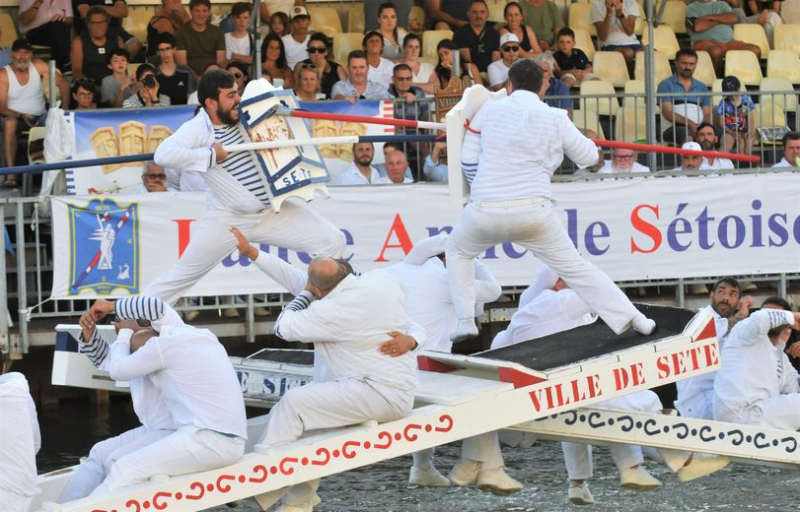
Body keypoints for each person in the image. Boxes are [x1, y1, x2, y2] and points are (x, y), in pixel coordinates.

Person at [445, 58, 655, 343]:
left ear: (511, 83)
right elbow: (590, 159)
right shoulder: (556, 117)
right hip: (534, 211)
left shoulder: (488, 110)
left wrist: (481, 188)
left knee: (457, 252)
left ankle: (466, 321)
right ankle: (635, 319)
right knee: (578, 270)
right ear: (543, 85)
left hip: (486, 209)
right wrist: (589, 146)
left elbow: (468, 161)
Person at [491, 265, 729, 505]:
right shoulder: (560, 299)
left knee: (578, 420)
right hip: (565, 389)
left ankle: (578, 483)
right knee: (645, 402)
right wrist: (644, 322)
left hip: (544, 398)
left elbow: (500, 345)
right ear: (561, 282)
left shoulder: (528, 308)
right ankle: (684, 460)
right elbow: (604, 295)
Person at [245, 252, 423, 511]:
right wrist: (413, 338)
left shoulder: (328, 309)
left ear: (318, 289)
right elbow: (410, 320)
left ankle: (263, 481)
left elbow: (282, 327)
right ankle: (299, 501)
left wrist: (306, 293)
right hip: (377, 386)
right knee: (309, 423)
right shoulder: (382, 280)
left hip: (378, 393)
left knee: (294, 403)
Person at [149, 70, 344, 305]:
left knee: (333, 240)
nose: (238, 100)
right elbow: (164, 154)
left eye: (237, 93)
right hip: (228, 220)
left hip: (272, 210)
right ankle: (130, 315)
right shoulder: (198, 127)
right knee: (181, 277)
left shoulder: (248, 112)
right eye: (230, 96)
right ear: (210, 103)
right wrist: (211, 155)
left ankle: (316, 304)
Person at [387, 234, 522, 493]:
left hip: (386, 368)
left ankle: (424, 468)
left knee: (464, 390)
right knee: (485, 393)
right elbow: (493, 290)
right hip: (424, 372)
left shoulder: (394, 271)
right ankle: (481, 467)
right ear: (449, 259)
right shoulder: (447, 279)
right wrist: (471, 257)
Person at [84, 295, 246, 495]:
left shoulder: (167, 340)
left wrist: (113, 310)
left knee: (122, 467)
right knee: (106, 456)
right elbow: (112, 361)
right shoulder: (193, 337)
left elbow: (154, 306)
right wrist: (91, 335)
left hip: (207, 438)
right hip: (196, 433)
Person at [57, 307, 176, 503]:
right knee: (99, 452)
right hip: (153, 428)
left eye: (119, 323)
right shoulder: (131, 348)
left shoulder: (158, 345)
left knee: (117, 460)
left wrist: (126, 331)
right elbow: (107, 360)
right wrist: (90, 332)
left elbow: (119, 365)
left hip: (174, 430)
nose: (116, 326)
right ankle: (66, 506)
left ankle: (90, 507)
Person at [675, 277, 754, 419]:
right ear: (711, 295)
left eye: (733, 294)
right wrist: (741, 314)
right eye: (721, 292)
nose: (725, 298)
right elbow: (721, 329)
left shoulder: (734, 327)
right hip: (697, 402)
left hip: (716, 399)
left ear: (737, 302)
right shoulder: (700, 316)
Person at [713, 307, 800, 430]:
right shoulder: (744, 332)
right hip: (738, 416)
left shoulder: (780, 356)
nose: (781, 322)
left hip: (756, 418)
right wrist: (793, 316)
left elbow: (794, 389)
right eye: (776, 316)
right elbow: (761, 319)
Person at [1, 39, 68, 188]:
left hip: (40, 115)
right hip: (15, 116)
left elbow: (63, 84)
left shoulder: (38, 65)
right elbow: (2, 107)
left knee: (56, 121)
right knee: (9, 123)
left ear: (31, 55)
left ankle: (59, 172)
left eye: (26, 53)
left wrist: (65, 110)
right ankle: (11, 173)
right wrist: (21, 115)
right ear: (12, 55)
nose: (23, 56)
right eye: (19, 52)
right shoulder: (4, 73)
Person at [686, 0, 761, 77]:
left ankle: (745, 80)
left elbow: (733, 17)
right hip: (705, 43)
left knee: (755, 50)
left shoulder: (722, 5)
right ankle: (717, 80)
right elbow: (698, 26)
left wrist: (710, 18)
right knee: (715, 51)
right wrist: (722, 20)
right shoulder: (690, 8)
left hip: (728, 43)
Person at [657, 49, 711, 146]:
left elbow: (707, 112)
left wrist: (704, 127)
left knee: (719, 135)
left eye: (691, 64)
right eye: (684, 63)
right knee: (688, 136)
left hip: (698, 126)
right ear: (676, 63)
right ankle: (689, 160)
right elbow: (667, 112)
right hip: (672, 128)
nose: (688, 67)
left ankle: (717, 161)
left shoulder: (702, 86)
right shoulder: (666, 84)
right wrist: (690, 124)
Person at [175, 0, 225, 82]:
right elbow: (182, 63)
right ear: (191, 11)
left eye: (204, 11)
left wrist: (210, 77)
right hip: (189, 78)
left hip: (213, 76)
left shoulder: (217, 32)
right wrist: (197, 78)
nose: (201, 14)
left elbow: (221, 61)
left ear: (209, 12)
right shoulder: (180, 33)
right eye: (197, 11)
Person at [71, 7, 125, 84]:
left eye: (102, 22)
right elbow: (77, 73)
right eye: (94, 23)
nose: (99, 26)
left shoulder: (117, 40)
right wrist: (93, 88)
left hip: (113, 86)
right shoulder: (79, 41)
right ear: (88, 25)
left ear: (107, 23)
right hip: (88, 87)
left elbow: (123, 71)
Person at [17, 0, 73, 72]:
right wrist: (38, 3)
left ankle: (58, 67)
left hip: (56, 34)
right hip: (33, 34)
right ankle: (63, 65)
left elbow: (70, 20)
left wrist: (64, 18)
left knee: (59, 25)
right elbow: (24, 21)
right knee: (57, 28)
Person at [76, 0, 142, 58]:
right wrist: (113, 9)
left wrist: (96, 8)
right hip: (93, 30)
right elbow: (85, 13)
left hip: (115, 30)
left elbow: (123, 12)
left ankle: (121, 65)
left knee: (134, 44)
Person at [591, 0, 643, 72]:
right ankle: (631, 76)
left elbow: (630, 31)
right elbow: (602, 36)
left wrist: (620, 13)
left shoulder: (631, 3)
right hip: (609, 44)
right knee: (628, 53)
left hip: (633, 43)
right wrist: (609, 13)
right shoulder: (596, 7)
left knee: (649, 53)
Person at [453, 0, 500, 74]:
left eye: (482, 12)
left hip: (490, 73)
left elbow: (496, 60)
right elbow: (467, 61)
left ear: (487, 14)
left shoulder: (494, 34)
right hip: (469, 74)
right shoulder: (460, 33)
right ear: (468, 14)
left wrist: (490, 74)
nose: (479, 16)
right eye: (475, 12)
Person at [716, 75, 756, 155]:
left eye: (734, 93)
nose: (733, 96)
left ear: (739, 89)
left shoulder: (746, 99)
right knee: (740, 143)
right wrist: (732, 132)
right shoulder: (723, 103)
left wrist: (750, 131)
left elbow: (751, 119)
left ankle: (748, 163)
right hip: (730, 130)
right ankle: (741, 162)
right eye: (730, 94)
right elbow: (721, 123)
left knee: (749, 140)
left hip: (744, 128)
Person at [298, 33, 346, 99]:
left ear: (326, 52)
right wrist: (320, 69)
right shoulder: (302, 66)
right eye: (312, 50)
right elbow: (302, 93)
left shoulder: (337, 68)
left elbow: (347, 91)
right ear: (308, 52)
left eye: (321, 50)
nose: (316, 53)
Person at [155, 33, 194, 105]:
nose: (165, 53)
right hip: (162, 114)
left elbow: (190, 98)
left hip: (183, 113)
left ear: (174, 49)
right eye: (161, 50)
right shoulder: (154, 74)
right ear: (158, 52)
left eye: (168, 49)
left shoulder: (185, 72)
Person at [281, 5, 312, 70]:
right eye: (296, 21)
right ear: (291, 24)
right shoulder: (283, 41)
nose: (300, 24)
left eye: (303, 20)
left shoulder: (314, 39)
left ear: (309, 21)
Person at [224, 2, 254, 67]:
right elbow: (225, 61)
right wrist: (246, 58)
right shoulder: (224, 38)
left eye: (245, 18)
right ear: (233, 18)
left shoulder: (253, 39)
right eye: (238, 17)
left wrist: (236, 56)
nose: (242, 21)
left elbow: (255, 60)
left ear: (249, 19)